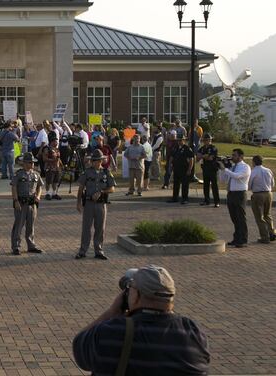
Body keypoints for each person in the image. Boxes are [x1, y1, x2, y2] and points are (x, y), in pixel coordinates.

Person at [73, 265, 210, 376]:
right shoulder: (193, 333)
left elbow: (80, 350)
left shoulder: (112, 332)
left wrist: (112, 312)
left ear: (136, 295)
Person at [76, 149, 116, 260]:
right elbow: (80, 188)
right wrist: (78, 203)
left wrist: (102, 192)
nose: (96, 163)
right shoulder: (87, 172)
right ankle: (83, 250)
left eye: (98, 160)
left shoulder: (106, 172)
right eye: (94, 160)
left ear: (101, 161)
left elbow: (112, 188)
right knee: (86, 228)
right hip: (88, 203)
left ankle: (99, 250)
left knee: (100, 228)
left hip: (101, 204)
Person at [10, 152, 44, 255]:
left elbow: (40, 187)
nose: (32, 164)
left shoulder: (36, 174)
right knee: (19, 225)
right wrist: (15, 200)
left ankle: (31, 245)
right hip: (21, 203)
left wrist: (38, 196)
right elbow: (14, 187)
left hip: (32, 203)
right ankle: (16, 246)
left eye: (33, 162)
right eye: (30, 162)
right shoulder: (19, 174)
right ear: (24, 163)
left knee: (30, 225)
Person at [219, 148, 251, 248]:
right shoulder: (232, 167)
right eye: (232, 155)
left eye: (234, 155)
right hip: (231, 193)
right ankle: (236, 238)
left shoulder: (245, 167)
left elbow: (237, 176)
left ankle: (243, 239)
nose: (232, 157)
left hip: (240, 194)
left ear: (241, 157)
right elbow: (223, 180)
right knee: (234, 218)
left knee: (241, 217)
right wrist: (221, 169)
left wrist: (225, 169)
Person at [248, 155, 275, 244]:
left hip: (258, 194)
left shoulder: (253, 172)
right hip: (268, 193)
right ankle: (272, 233)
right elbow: (273, 183)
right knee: (268, 214)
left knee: (259, 217)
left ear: (254, 162)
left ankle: (265, 237)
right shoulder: (268, 170)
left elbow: (249, 185)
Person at [167, 135, 194, 204]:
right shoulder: (175, 148)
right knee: (176, 184)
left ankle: (185, 199)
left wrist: (189, 169)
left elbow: (191, 159)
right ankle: (175, 198)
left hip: (184, 169)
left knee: (185, 184)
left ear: (184, 140)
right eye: (178, 140)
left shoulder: (187, 148)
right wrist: (170, 165)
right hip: (176, 169)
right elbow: (171, 157)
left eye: (181, 140)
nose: (179, 142)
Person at [196, 134, 220, 207]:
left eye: (207, 140)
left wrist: (202, 156)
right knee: (206, 186)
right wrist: (204, 156)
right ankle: (207, 200)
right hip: (205, 169)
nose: (206, 141)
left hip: (212, 169)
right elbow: (197, 158)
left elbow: (210, 158)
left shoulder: (213, 148)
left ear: (210, 140)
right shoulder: (202, 148)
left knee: (214, 186)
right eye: (204, 140)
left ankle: (216, 202)